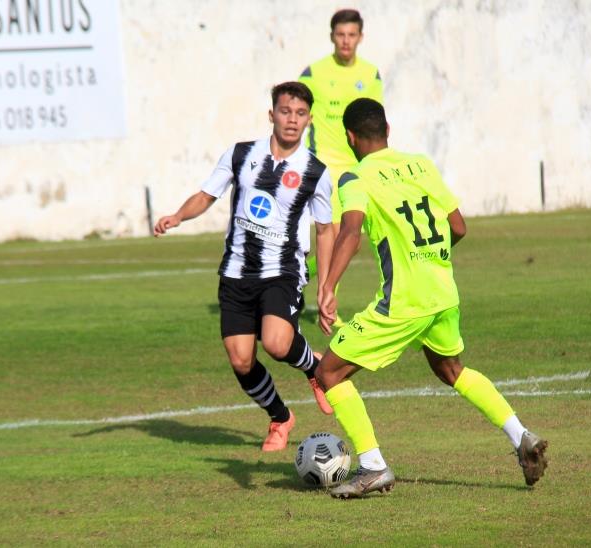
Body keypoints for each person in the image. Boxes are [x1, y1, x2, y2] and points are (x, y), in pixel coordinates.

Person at [315, 98, 549, 498]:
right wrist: (428, 259)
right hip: (443, 291)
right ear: (387, 130)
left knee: (329, 374)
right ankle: (521, 436)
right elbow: (457, 225)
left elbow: (351, 232)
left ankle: (372, 466)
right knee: (451, 370)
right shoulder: (421, 164)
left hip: (404, 301)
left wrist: (328, 285)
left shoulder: (354, 178)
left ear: (351, 137)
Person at [154, 82, 335, 451]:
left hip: (282, 269)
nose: (292, 120)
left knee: (276, 342)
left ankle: (314, 368)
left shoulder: (315, 171)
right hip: (236, 271)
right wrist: (177, 216)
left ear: (309, 120)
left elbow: (326, 229)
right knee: (240, 360)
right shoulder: (240, 155)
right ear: (272, 115)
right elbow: (207, 194)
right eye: (285, 112)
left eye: (300, 114)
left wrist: (326, 285)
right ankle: (281, 418)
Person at [298, 8, 383, 320]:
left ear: (360, 37)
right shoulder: (313, 74)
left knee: (353, 243)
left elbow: (374, 120)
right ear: (332, 36)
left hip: (357, 168)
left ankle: (301, 268)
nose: (346, 41)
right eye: (340, 35)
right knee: (337, 237)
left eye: (351, 35)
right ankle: (328, 308)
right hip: (326, 168)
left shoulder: (371, 75)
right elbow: (297, 114)